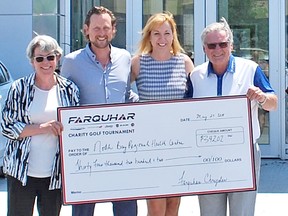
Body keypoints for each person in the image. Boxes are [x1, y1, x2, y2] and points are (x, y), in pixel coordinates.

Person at [187, 17, 278, 216]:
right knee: (210, 212)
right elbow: (185, 115)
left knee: (242, 212)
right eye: (212, 45)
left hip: (243, 154)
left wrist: (262, 98)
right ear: (204, 49)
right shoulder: (196, 76)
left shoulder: (250, 69)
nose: (217, 49)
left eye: (223, 44)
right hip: (206, 156)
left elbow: (274, 103)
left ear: (231, 45)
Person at [61, 6, 138, 216]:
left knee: (126, 208)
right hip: (86, 152)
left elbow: (128, 96)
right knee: (83, 210)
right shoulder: (70, 62)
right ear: (86, 30)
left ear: (113, 30)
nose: (101, 33)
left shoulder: (125, 58)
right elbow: (64, 102)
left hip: (122, 148)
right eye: (96, 28)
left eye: (106, 27)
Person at [1, 35, 80, 216]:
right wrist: (42, 128)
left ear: (57, 58)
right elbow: (7, 126)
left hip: (54, 175)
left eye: (50, 57)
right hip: (21, 172)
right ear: (32, 61)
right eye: (40, 58)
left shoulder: (69, 90)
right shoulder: (19, 89)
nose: (46, 63)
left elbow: (76, 129)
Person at [131, 12, 194, 216]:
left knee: (173, 204)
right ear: (149, 36)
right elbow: (120, 93)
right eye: (156, 33)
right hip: (150, 145)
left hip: (179, 144)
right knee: (156, 206)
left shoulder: (184, 62)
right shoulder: (138, 63)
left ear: (173, 35)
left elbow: (196, 100)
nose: (162, 39)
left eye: (167, 33)